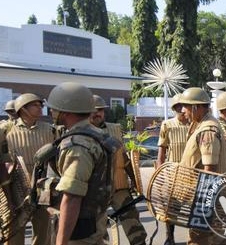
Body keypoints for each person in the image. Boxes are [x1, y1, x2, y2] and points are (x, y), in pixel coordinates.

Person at [46, 82, 113, 244]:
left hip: (78, 231)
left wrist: (61, 241)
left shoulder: (77, 145)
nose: (51, 111)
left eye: (54, 108)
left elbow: (72, 197)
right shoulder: (98, 135)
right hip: (93, 222)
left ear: (66, 110)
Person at [90, 95, 147, 245]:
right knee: (97, 230)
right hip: (94, 191)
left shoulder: (115, 128)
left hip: (119, 187)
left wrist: (135, 181)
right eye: (93, 111)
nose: (98, 113)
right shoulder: (81, 132)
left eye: (100, 110)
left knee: (134, 226)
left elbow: (124, 157)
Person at [2, 93, 57, 245]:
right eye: (35, 105)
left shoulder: (50, 130)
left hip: (43, 186)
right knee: (14, 232)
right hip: (16, 187)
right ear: (23, 109)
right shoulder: (7, 130)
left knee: (43, 230)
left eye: (41, 105)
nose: (40, 108)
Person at [178, 87, 226, 244]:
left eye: (186, 106)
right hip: (206, 196)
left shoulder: (208, 129)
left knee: (200, 239)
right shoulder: (202, 124)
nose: (182, 111)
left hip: (205, 196)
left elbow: (210, 169)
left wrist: (202, 208)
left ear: (196, 107)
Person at [156, 93, 189, 245]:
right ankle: (170, 237)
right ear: (175, 108)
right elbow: (161, 152)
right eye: (179, 107)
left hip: (191, 173)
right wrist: (160, 175)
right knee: (171, 209)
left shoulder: (194, 125)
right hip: (173, 174)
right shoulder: (167, 125)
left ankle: (194, 237)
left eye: (185, 106)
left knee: (192, 208)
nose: (183, 109)